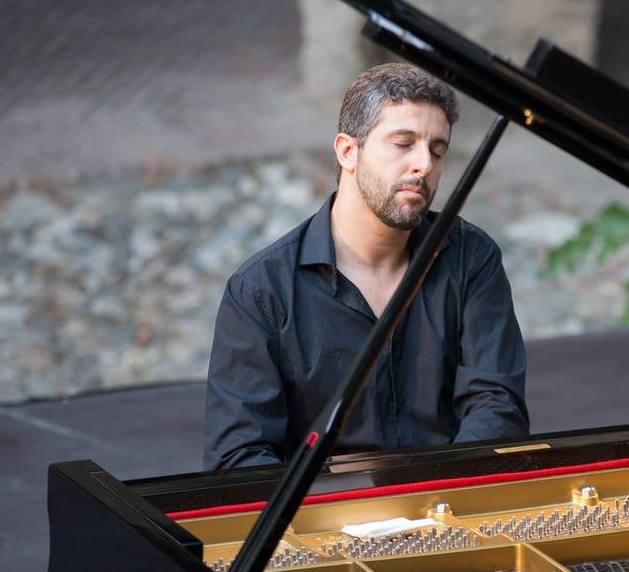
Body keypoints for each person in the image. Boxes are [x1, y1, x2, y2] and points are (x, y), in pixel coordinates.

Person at [204, 63, 529, 469]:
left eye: (437, 150)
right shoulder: (261, 291)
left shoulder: (472, 258)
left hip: (448, 506)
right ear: (347, 151)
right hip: (324, 520)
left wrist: (436, 497)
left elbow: (496, 407)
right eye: (403, 143)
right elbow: (238, 457)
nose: (424, 165)